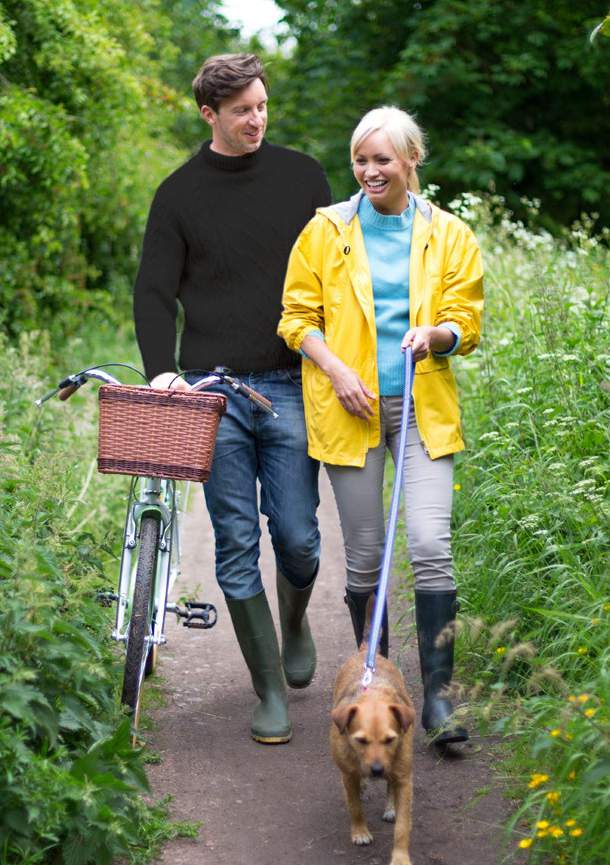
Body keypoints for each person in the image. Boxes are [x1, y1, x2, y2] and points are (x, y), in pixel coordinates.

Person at [133, 53, 331, 745]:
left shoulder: (303, 176)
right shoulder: (178, 194)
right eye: (243, 109)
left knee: (301, 538)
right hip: (211, 391)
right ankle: (269, 689)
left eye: (262, 106)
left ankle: (297, 615)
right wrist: (163, 372)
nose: (257, 119)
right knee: (236, 542)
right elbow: (154, 292)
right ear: (208, 114)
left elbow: (337, 274)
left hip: (288, 385)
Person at [278, 106, 483, 744]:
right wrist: (338, 371)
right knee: (366, 558)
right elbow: (295, 318)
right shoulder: (325, 231)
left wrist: (436, 334)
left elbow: (465, 323)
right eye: (361, 160)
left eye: (382, 160)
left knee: (427, 543)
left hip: (423, 406)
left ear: (410, 161)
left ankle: (440, 701)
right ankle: (383, 692)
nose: (370, 171)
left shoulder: (447, 234)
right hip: (351, 408)